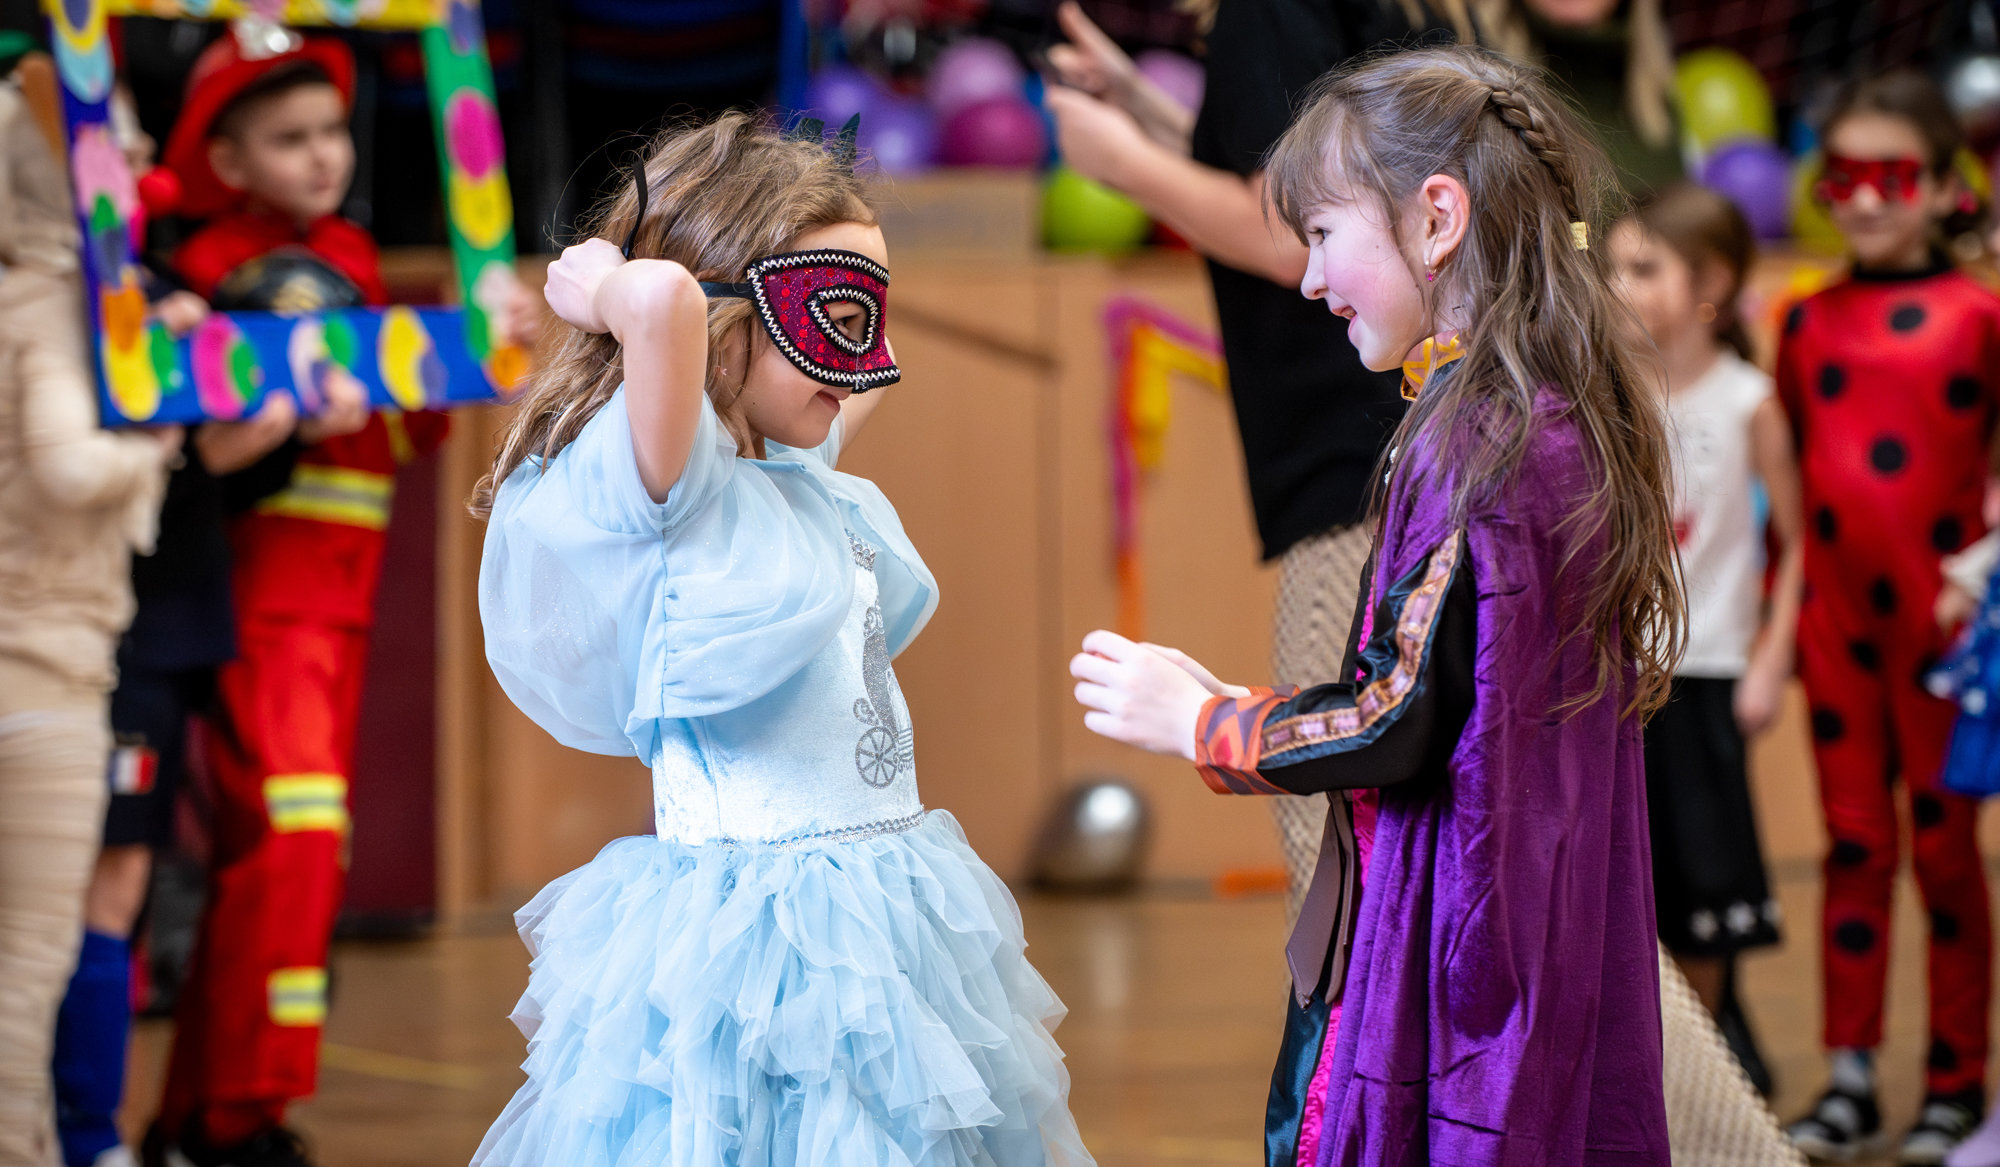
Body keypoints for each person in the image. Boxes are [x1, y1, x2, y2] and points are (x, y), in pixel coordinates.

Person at [1069, 44, 1678, 1164]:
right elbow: (1442, 687)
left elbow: (1398, 718)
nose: (1308, 279)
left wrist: (1208, 723)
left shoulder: (1480, 437)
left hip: (1468, 937)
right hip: (1530, 916)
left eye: (1320, 233)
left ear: (1436, 218)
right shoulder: (1543, 408)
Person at [469, 111, 1093, 1166]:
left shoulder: (800, 477)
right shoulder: (670, 493)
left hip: (884, 905)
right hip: (751, 939)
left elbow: (832, 375)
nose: (868, 361)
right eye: (838, 320)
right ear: (727, 320)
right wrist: (597, 286)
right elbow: (662, 303)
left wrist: (836, 311)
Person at [144, 24, 531, 1167]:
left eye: (330, 132)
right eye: (288, 138)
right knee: (294, 836)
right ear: (226, 157)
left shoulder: (354, 262)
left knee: (292, 848)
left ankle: (209, 1117)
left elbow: (403, 429)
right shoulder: (205, 269)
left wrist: (487, 350)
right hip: (262, 594)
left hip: (340, 597)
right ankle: (234, 1121)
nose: (322, 155)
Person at [1774, 70, 2000, 1166]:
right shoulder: (1805, 320)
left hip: (1945, 633)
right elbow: (1787, 484)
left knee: (1947, 856)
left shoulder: (1982, 316)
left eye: (1892, 176)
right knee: (1854, 846)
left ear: (1945, 186)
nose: (1864, 199)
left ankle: (1955, 1080)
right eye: (1843, 175)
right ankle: (1850, 1076)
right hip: (1835, 629)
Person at [0, 76, 178, 1167]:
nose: (144, 157)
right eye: (119, 142)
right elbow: (69, 467)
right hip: (44, 672)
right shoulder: (58, 303)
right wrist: (152, 447)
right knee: (26, 972)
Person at [1607, 183, 1799, 1086]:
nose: (1620, 286)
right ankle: (1672, 1074)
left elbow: (1796, 540)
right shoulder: (1609, 395)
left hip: (1711, 667)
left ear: (1712, 283)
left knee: (1706, 879)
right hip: (1619, 675)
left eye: (1644, 268)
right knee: (1639, 881)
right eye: (1613, 267)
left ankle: (1710, 1086)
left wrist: (1770, 656)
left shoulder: (1748, 400)